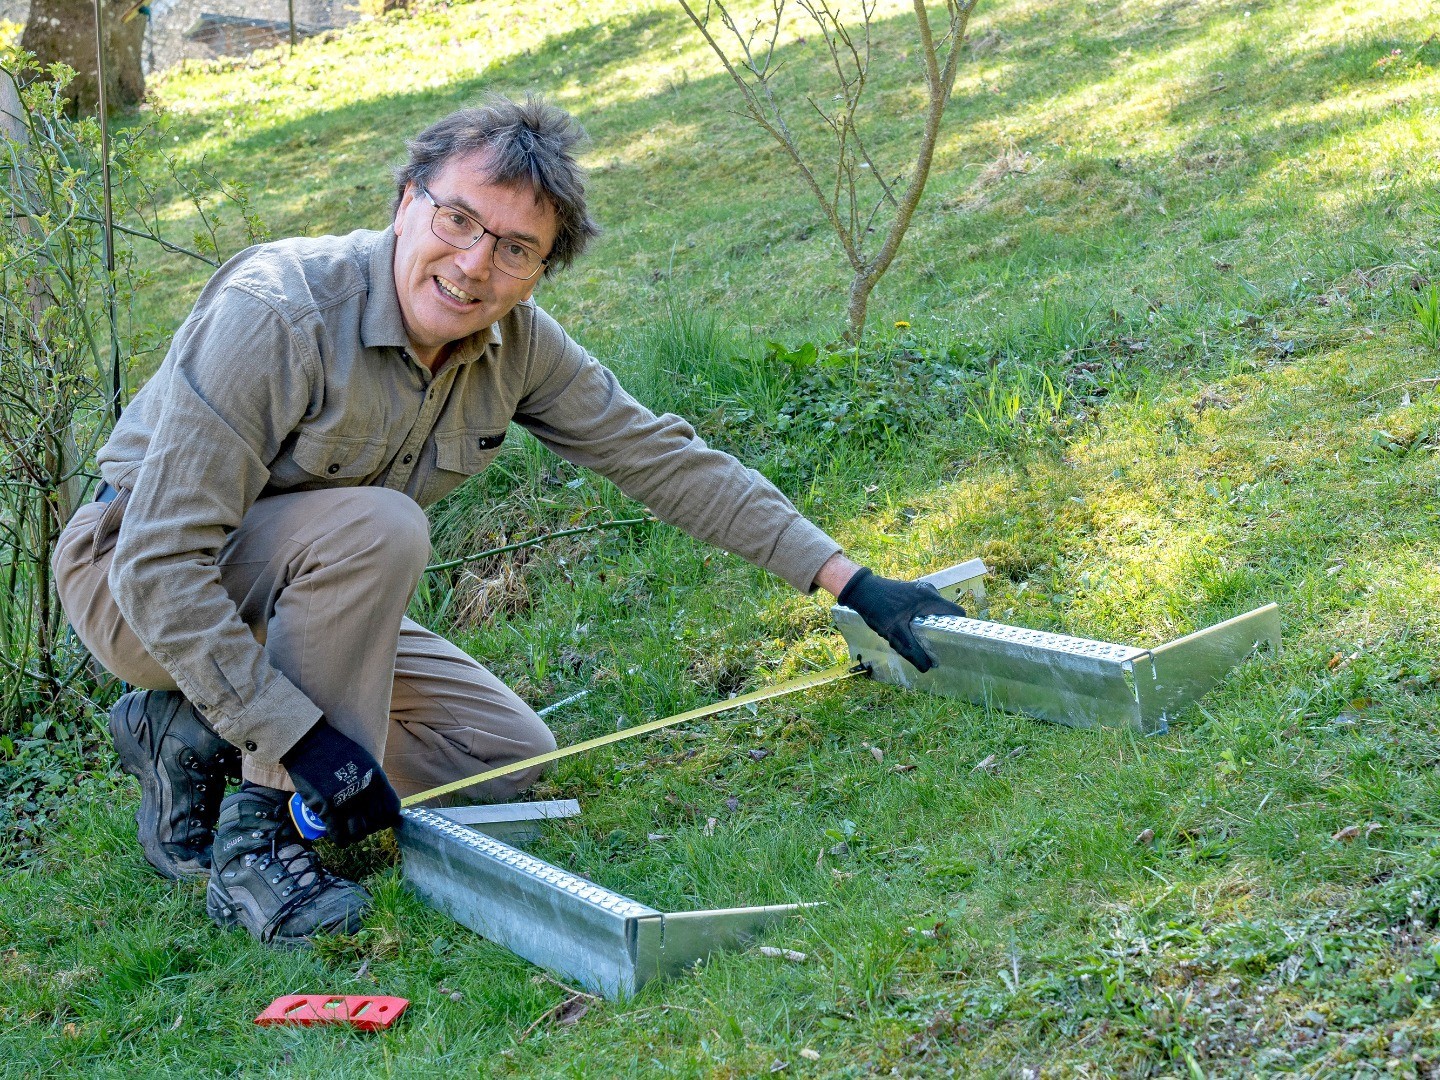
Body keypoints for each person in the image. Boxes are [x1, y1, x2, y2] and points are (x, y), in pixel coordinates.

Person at [51, 95, 964, 946]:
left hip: (309, 592)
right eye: (459, 220)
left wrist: (850, 581)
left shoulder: (517, 347)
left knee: (500, 755)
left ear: (540, 271)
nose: (475, 264)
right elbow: (160, 560)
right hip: (136, 585)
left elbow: (660, 458)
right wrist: (298, 740)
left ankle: (192, 731)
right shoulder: (278, 311)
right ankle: (255, 848)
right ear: (407, 201)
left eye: (517, 249)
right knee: (381, 529)